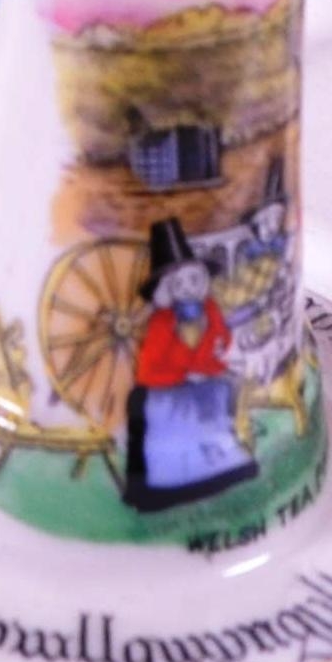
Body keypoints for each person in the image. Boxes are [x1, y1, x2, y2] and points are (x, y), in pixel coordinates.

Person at [124, 217, 258, 512]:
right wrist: (186, 372)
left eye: (194, 280)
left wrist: (216, 356)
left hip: (204, 382)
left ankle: (220, 464)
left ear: (203, 280)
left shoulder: (210, 310)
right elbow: (151, 365)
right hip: (166, 389)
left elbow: (220, 338)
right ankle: (174, 481)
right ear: (167, 289)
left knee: (222, 392)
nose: (188, 288)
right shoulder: (162, 322)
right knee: (177, 417)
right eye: (178, 283)